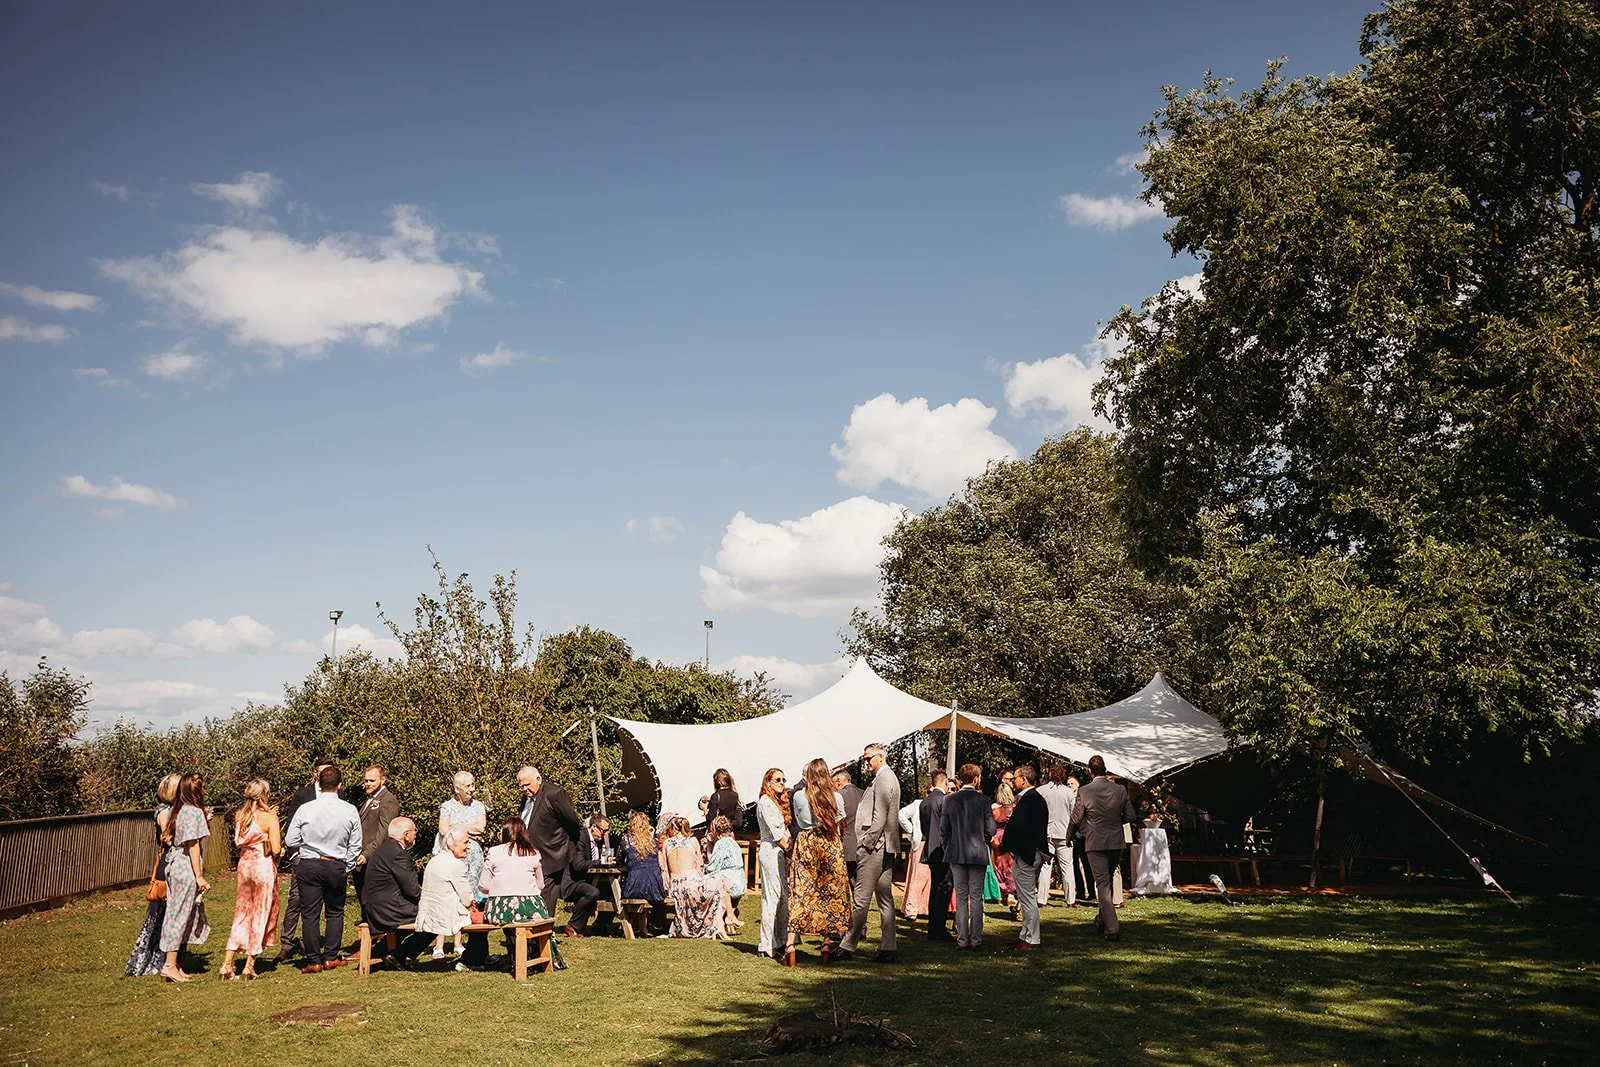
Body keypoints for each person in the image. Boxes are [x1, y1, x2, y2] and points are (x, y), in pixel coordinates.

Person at [283, 764, 361, 973]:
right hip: (335, 862)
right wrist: (347, 864)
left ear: (318, 783)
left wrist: (302, 853)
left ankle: (313, 960)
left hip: (310, 863)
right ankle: (331, 956)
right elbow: (356, 843)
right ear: (340, 785)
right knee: (335, 912)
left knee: (310, 914)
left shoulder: (306, 809)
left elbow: (290, 838)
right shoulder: (349, 809)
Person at [782, 757, 851, 966]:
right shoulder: (836, 798)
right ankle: (826, 943)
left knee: (800, 891)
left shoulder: (798, 797)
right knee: (830, 893)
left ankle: (790, 945)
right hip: (829, 843)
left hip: (806, 844)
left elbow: (798, 820)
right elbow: (841, 826)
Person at [838, 742, 901, 962]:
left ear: (881, 756)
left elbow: (879, 817)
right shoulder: (886, 777)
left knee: (861, 898)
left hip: (875, 847)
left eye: (868, 758)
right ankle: (888, 948)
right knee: (885, 899)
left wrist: (866, 843)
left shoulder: (884, 778)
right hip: (885, 845)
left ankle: (847, 946)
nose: (866, 763)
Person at [1070, 754, 1139, 941]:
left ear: (1090, 771)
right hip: (1116, 840)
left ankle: (1112, 928)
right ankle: (1102, 919)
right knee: (1106, 881)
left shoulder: (1084, 791)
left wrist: (1069, 835)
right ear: (1105, 769)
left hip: (1095, 840)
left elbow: (1076, 819)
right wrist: (1115, 821)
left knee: (1101, 883)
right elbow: (1131, 816)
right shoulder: (1120, 790)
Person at [222, 779, 282, 979]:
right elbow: (276, 849)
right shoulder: (268, 818)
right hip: (262, 866)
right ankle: (249, 965)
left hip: (244, 866)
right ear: (264, 794)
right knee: (260, 912)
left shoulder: (240, 815)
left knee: (241, 912)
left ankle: (227, 964)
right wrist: (273, 819)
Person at [276, 755, 332, 962]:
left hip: (328, 857)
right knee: (296, 899)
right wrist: (295, 853)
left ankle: (322, 945)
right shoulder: (303, 794)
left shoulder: (339, 795)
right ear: (314, 773)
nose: (325, 774)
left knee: (328, 901)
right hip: (304, 856)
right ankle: (287, 943)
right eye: (322, 771)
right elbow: (292, 823)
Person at [157, 773, 211, 982]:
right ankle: (169, 965)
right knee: (178, 915)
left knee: (177, 913)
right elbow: (193, 845)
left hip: (173, 863)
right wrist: (199, 876)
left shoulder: (175, 811)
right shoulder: (194, 812)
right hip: (185, 866)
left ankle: (174, 964)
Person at [125, 773, 181, 977]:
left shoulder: (171, 810)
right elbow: (168, 838)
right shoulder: (164, 812)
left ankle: (169, 958)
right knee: (161, 914)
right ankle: (153, 961)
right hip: (167, 865)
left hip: (171, 862)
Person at [361, 817, 435, 968]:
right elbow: (412, 889)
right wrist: (431, 902)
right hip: (387, 909)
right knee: (435, 917)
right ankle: (398, 954)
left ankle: (382, 950)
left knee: (421, 914)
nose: (415, 835)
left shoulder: (385, 848)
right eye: (414, 831)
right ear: (406, 835)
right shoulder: (398, 854)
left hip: (376, 905)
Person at [939, 763, 996, 950]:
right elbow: (991, 829)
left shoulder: (949, 800)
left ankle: (962, 940)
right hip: (977, 852)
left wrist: (950, 847)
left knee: (961, 897)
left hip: (956, 853)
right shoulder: (984, 801)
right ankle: (976, 939)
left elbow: (944, 830)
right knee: (977, 897)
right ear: (977, 778)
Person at [433, 771, 487, 957]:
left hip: (473, 859)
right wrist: (469, 830)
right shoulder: (447, 806)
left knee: (469, 897)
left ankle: (462, 943)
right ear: (457, 789)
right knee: (448, 896)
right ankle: (439, 944)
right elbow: (442, 829)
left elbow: (481, 828)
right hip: (453, 857)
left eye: (473, 785)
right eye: (468, 786)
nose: (472, 789)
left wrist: (456, 827)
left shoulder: (479, 806)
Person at [517, 765, 582, 913]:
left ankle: (544, 932)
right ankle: (536, 930)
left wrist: (563, 845)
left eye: (527, 784)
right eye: (522, 786)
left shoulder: (554, 794)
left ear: (538, 779)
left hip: (552, 855)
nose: (525, 789)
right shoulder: (525, 798)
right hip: (530, 855)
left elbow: (571, 822)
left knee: (546, 895)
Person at [662, 816, 739, 939]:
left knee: (719, 882)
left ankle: (726, 919)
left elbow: (665, 868)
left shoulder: (666, 843)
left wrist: (668, 888)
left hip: (675, 886)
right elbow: (699, 866)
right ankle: (720, 924)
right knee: (720, 880)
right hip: (691, 882)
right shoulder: (692, 841)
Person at [1001, 765, 1049, 951]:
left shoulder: (1030, 800)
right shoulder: (1032, 799)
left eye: (1015, 778)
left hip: (1027, 853)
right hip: (1028, 852)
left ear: (1024, 779)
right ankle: (1025, 934)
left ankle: (1032, 938)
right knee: (1024, 895)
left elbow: (1020, 828)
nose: (1013, 782)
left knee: (1028, 897)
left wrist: (1011, 846)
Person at [415, 828, 477, 970]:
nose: (468, 846)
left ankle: (401, 953)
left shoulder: (433, 861)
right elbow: (467, 898)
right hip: (446, 915)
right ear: (452, 845)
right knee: (480, 926)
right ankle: (473, 959)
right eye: (465, 842)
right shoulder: (456, 865)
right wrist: (472, 904)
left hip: (428, 914)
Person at [479, 817, 551, 924]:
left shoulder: (494, 852)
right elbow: (540, 885)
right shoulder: (533, 853)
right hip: (530, 906)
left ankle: (513, 939)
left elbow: (484, 885)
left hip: (500, 908)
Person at [754, 768, 791, 960]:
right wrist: (790, 849)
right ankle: (767, 943)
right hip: (771, 851)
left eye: (784, 779)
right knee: (772, 897)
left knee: (782, 897)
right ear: (768, 782)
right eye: (778, 779)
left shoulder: (776, 803)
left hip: (779, 852)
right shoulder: (765, 803)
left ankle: (781, 939)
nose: (782, 782)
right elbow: (777, 835)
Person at [353, 765, 401, 911]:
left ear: (383, 780)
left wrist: (367, 854)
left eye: (372, 780)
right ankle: (367, 928)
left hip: (374, 858)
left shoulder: (388, 800)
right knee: (364, 898)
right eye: (366, 780)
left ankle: (377, 932)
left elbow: (383, 832)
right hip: (361, 857)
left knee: (373, 900)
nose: (368, 784)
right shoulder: (368, 799)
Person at [561, 813, 612, 938]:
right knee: (592, 892)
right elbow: (578, 864)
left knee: (614, 892)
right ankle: (572, 926)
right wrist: (600, 862)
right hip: (573, 882)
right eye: (603, 830)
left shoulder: (597, 840)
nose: (604, 834)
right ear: (594, 827)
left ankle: (601, 925)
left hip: (589, 880)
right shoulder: (580, 838)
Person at [920, 770, 953, 942]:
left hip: (930, 848)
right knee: (944, 888)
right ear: (945, 782)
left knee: (935, 888)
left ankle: (934, 926)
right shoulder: (944, 800)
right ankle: (938, 928)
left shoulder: (924, 802)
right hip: (943, 848)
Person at [1038, 765, 1077, 907]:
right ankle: (1071, 900)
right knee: (1067, 867)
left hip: (1046, 833)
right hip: (1064, 833)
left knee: (1045, 866)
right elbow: (1074, 814)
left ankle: (1041, 899)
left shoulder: (1041, 791)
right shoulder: (1069, 793)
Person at [620, 810, 665, 908]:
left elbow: (619, 860)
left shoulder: (626, 840)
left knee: (618, 894)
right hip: (655, 888)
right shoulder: (654, 842)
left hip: (634, 886)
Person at [704, 815, 746, 912]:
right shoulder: (733, 842)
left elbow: (712, 868)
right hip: (740, 882)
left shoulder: (721, 844)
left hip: (730, 885)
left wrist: (702, 868)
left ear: (714, 829)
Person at [899, 783, 928, 921]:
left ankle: (925, 908)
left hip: (933, 843)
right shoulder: (918, 804)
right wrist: (911, 830)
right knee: (918, 876)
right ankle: (911, 909)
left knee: (930, 878)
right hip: (920, 842)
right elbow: (901, 814)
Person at [990, 771, 1017, 914]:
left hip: (997, 838)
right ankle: (1012, 893)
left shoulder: (994, 809)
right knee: (1010, 866)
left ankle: (1004, 893)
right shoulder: (1014, 809)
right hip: (1011, 838)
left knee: (999, 866)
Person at [832, 769, 863, 883]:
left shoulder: (838, 796)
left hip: (847, 843)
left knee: (851, 881)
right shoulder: (864, 793)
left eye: (833, 784)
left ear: (839, 781)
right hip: (864, 842)